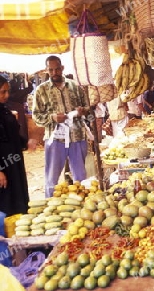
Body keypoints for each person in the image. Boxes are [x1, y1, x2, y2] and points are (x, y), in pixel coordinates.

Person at [32, 55, 90, 198]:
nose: (54, 73)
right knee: (52, 179)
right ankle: (50, 207)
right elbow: (36, 116)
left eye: (57, 69)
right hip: (55, 140)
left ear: (62, 68)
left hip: (77, 137)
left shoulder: (75, 86)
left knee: (81, 178)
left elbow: (87, 106)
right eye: (51, 70)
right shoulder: (41, 90)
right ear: (46, 70)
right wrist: (52, 117)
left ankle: (83, 206)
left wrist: (83, 110)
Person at [0, 76, 36, 216]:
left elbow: (11, 134)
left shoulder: (4, 109)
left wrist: (25, 143)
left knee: (18, 196)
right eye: (3, 92)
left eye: (7, 91)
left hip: (14, 163)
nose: (7, 95)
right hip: (3, 167)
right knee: (6, 202)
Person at [7, 74, 34, 144]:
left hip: (9, 112)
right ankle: (22, 142)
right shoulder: (19, 93)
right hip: (19, 111)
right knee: (21, 127)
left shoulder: (7, 94)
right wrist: (28, 81)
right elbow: (30, 88)